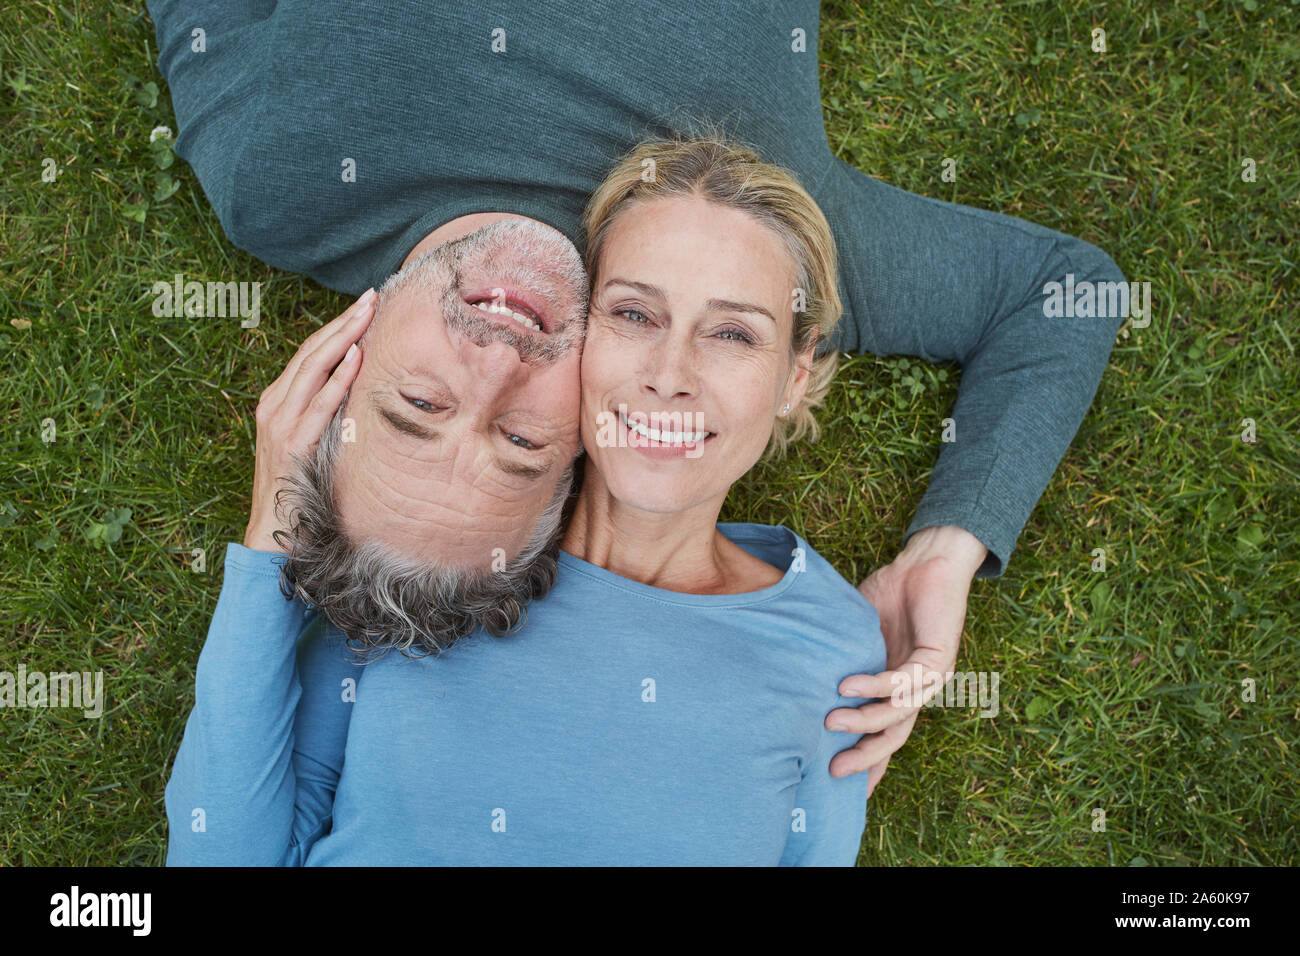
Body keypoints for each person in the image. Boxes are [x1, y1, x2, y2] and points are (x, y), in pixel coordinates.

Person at [147, 0, 1127, 789]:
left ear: (334, 372)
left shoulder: (273, 181)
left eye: (419, 406)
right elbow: (1057, 293)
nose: (496, 358)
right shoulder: (738, 256)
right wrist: (947, 548)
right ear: (583, 447)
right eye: (522, 441)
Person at [167, 137, 885, 865]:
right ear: (579, 342)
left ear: (796, 375)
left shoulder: (834, 647)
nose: (671, 375)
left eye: (732, 333)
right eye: (634, 315)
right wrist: (274, 529)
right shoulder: (456, 560)